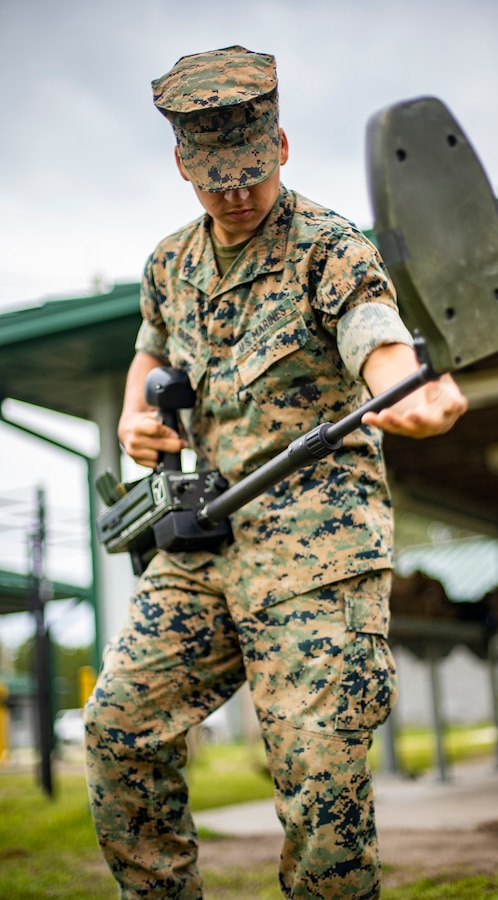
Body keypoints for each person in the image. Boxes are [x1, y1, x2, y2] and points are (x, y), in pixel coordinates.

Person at [84, 45, 467, 900]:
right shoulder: (169, 263)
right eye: (215, 176)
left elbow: (376, 335)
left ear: (282, 146)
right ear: (182, 164)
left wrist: (408, 393)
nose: (236, 192)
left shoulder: (331, 248)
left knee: (320, 786)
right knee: (118, 730)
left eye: (252, 171)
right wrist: (135, 419)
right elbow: (149, 352)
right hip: (203, 543)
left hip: (315, 548)